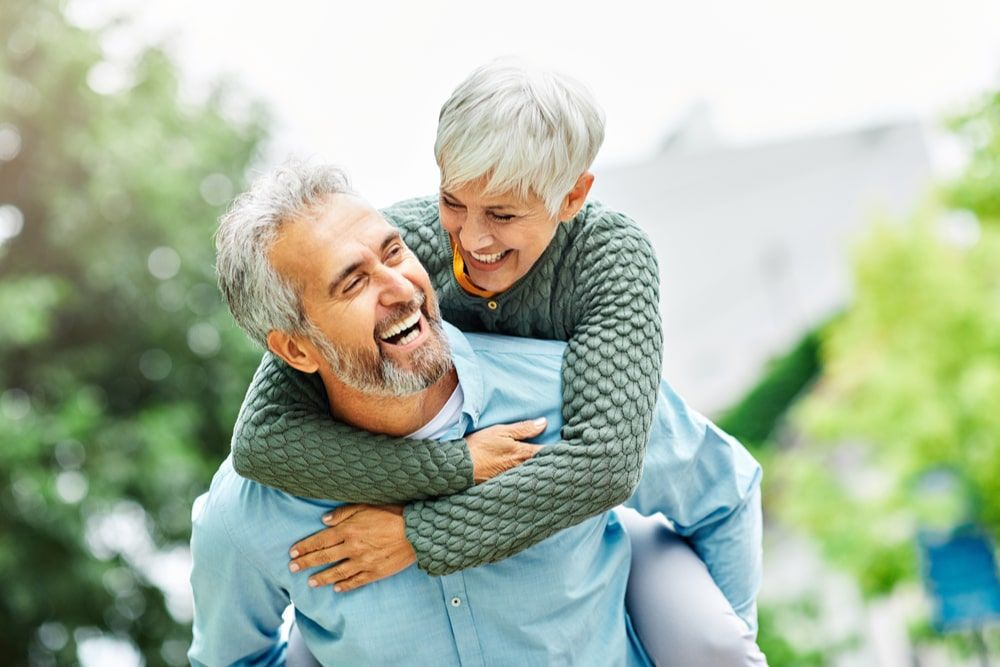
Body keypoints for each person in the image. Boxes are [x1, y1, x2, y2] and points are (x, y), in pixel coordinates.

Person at [190, 161, 764, 665]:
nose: (400, 287)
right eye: (353, 282)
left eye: (394, 252)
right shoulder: (249, 516)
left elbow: (725, 494)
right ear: (295, 349)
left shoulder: (569, 393)